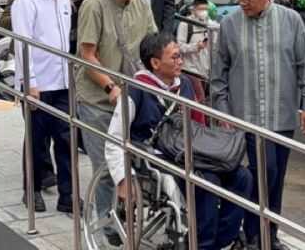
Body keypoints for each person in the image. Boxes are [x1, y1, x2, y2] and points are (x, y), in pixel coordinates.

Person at [106, 33, 253, 250]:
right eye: (174, 57)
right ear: (155, 63)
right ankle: (202, 244)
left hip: (191, 150)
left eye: (180, 56)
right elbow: (114, 137)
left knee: (242, 177)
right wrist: (122, 178)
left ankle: (221, 239)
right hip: (156, 155)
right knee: (207, 181)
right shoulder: (136, 89)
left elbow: (199, 125)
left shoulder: (185, 84)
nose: (180, 62)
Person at [211, 0, 305, 250]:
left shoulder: (291, 20)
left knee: (276, 178)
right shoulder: (229, 25)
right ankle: (255, 235)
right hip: (244, 117)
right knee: (261, 173)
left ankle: (268, 235)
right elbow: (218, 75)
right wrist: (222, 112)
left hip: (282, 115)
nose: (242, 3)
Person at [75, 0, 158, 227]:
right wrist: (110, 86)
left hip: (131, 98)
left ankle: (126, 216)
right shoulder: (94, 5)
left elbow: (151, 45)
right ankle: (105, 223)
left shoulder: (141, 4)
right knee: (106, 167)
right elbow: (87, 56)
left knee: (134, 164)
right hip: (98, 100)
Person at [10, 0, 75, 214]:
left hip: (62, 81)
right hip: (38, 83)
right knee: (37, 141)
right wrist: (30, 83)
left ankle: (68, 195)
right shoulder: (26, 1)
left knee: (66, 140)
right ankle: (32, 190)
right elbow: (22, 43)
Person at [178, 0, 218, 94]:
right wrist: (196, 47)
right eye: (201, 9)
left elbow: (216, 46)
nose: (204, 12)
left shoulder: (210, 25)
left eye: (206, 9)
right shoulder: (185, 24)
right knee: (198, 97)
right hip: (190, 70)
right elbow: (180, 46)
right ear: (193, 10)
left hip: (205, 71)